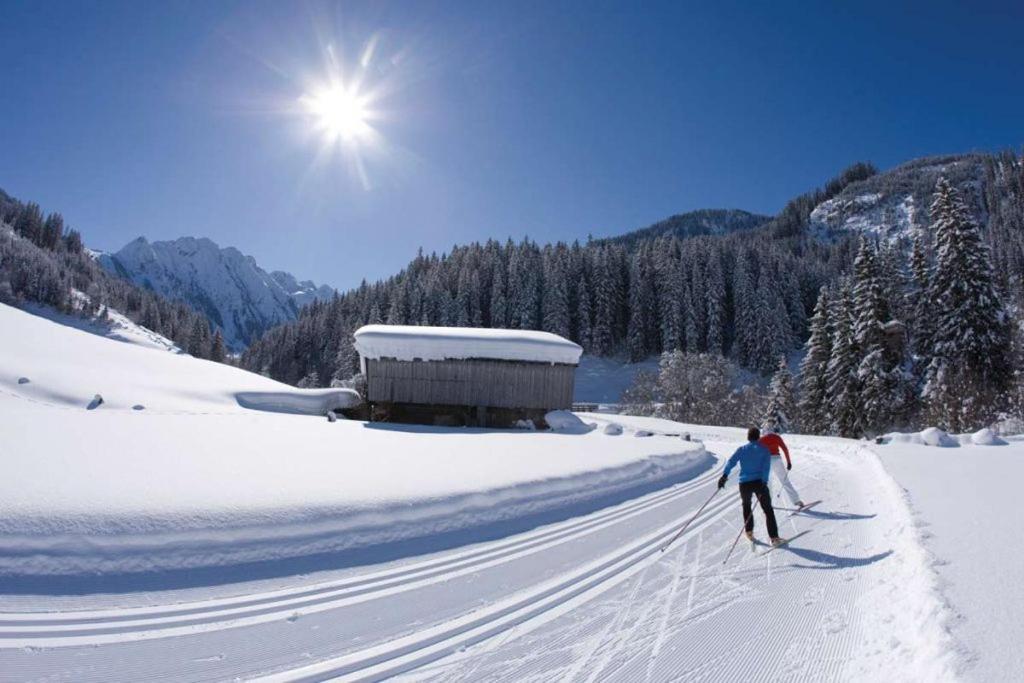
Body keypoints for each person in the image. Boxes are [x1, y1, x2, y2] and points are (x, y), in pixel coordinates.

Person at [718, 427, 782, 545]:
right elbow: (766, 468)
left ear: (748, 437)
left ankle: (749, 532)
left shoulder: (742, 449)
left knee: (746, 506)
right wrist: (764, 482)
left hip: (744, 484)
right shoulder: (764, 449)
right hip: (759, 483)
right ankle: (774, 538)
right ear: (758, 437)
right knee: (768, 510)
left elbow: (731, 462)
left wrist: (724, 476)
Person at [759, 429, 805, 509]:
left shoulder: (761, 439)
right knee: (785, 480)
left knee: (767, 483)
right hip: (777, 460)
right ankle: (796, 501)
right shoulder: (777, 437)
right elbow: (785, 449)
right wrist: (789, 462)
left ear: (764, 433)